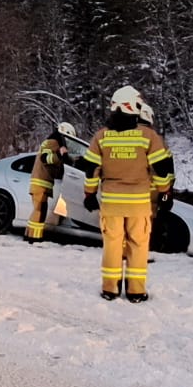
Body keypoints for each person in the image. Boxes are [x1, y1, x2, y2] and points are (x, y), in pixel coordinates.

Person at [81, 85, 174, 301]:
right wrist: (164, 193)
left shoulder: (101, 137)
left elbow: (91, 169)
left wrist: (89, 194)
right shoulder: (148, 136)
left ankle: (110, 289)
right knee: (138, 245)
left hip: (111, 203)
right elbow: (161, 169)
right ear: (133, 106)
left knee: (112, 245)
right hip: (139, 203)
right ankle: (136, 291)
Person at [26, 122, 78, 242]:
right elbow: (45, 158)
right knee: (39, 210)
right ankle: (34, 237)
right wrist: (60, 154)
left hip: (42, 182)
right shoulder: (53, 142)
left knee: (39, 210)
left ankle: (30, 234)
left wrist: (69, 158)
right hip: (41, 182)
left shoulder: (52, 141)